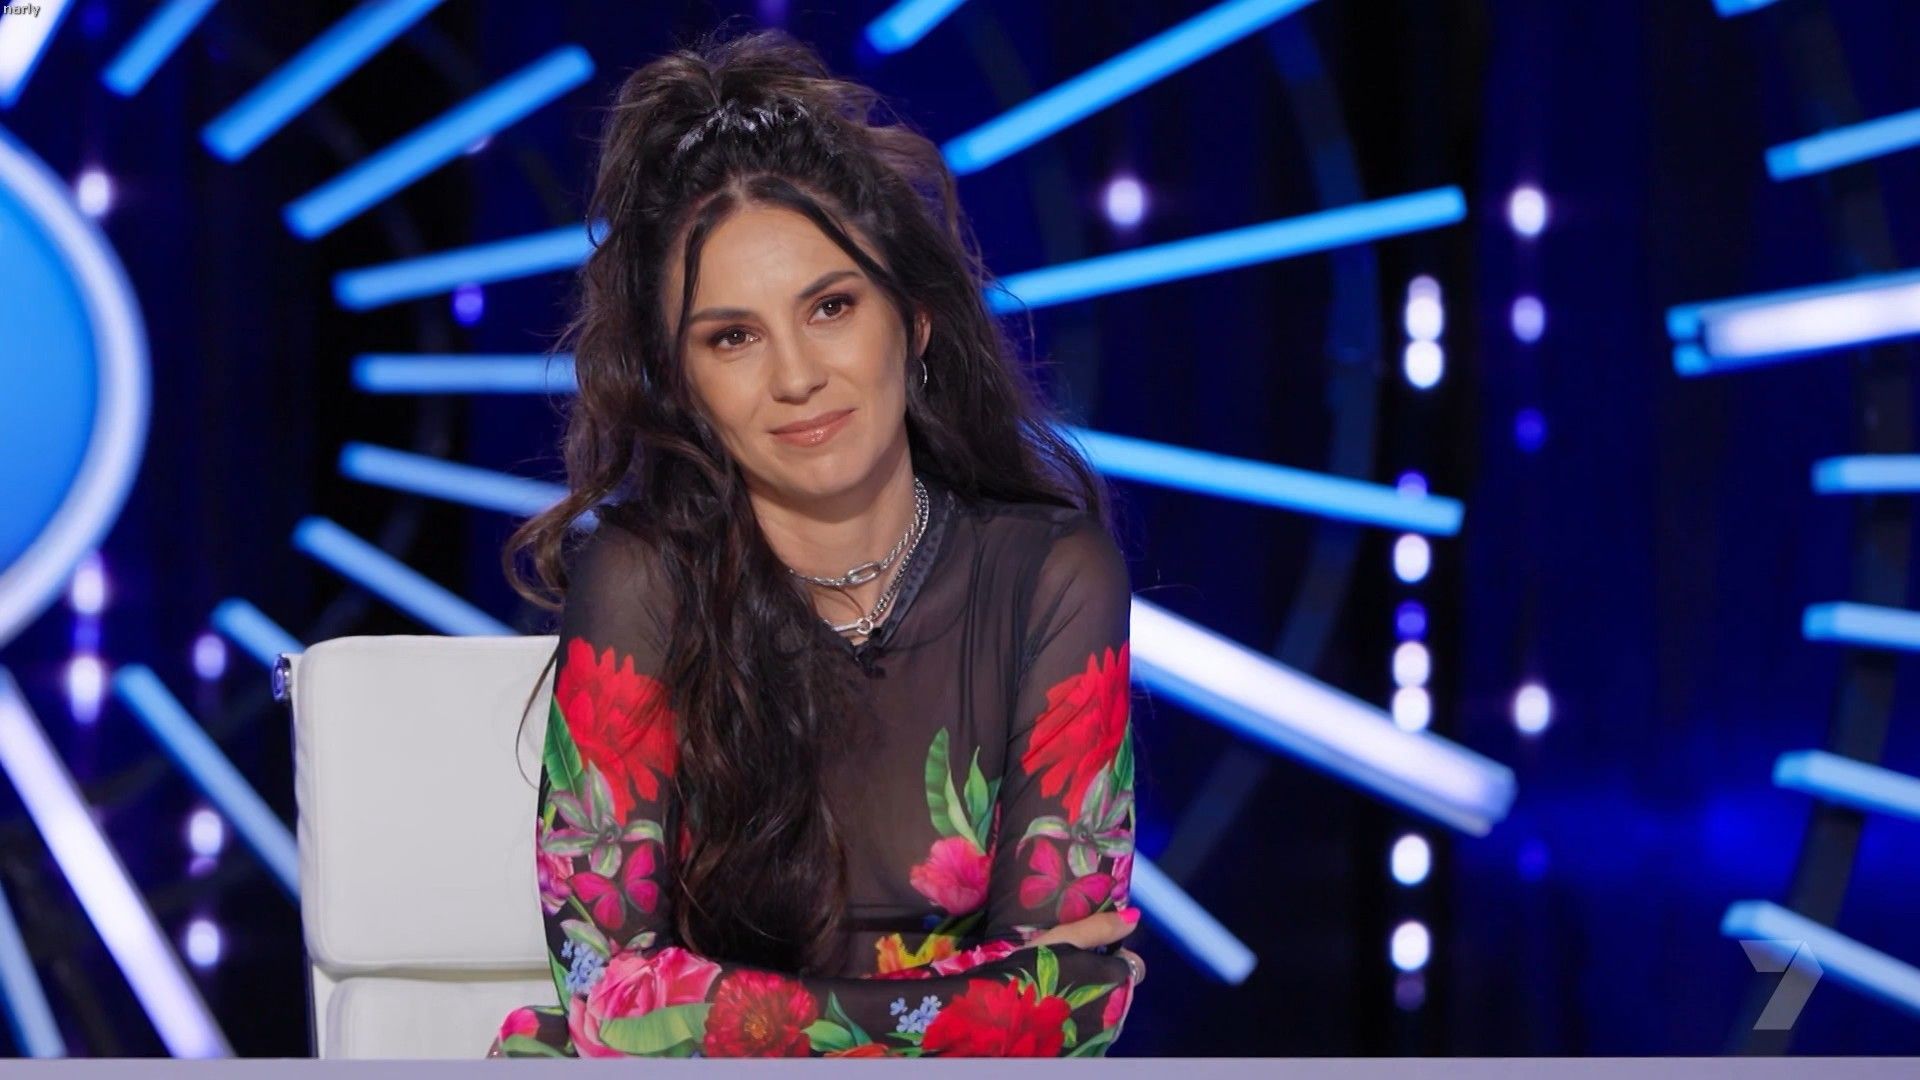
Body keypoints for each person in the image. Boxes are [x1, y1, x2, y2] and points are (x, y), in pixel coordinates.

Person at [486, 24, 1144, 1058]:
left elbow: (1068, 1014)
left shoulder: (1052, 579)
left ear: (913, 323)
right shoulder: (641, 579)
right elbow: (603, 994)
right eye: (733, 337)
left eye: (831, 307)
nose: (795, 377)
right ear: (683, 382)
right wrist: (974, 996)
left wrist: (706, 1006)